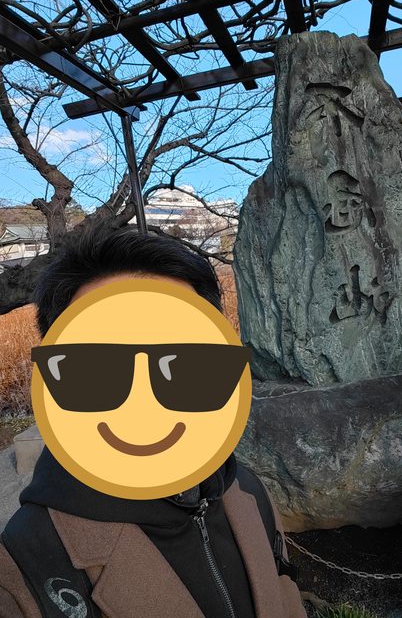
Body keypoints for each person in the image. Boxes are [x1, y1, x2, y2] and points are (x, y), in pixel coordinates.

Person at [0, 225, 307, 618]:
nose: (142, 402)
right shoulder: (23, 568)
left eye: (184, 365)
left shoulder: (247, 492)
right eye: (95, 370)